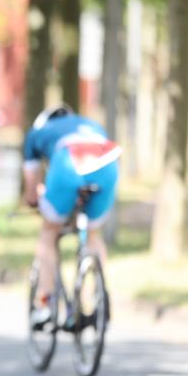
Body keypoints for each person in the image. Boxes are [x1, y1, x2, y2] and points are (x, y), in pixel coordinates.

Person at [21, 105, 121, 330]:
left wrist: (34, 203)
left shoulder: (36, 134)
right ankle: (98, 297)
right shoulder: (91, 124)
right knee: (93, 234)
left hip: (68, 162)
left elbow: (31, 186)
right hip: (107, 162)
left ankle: (45, 304)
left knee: (48, 234)